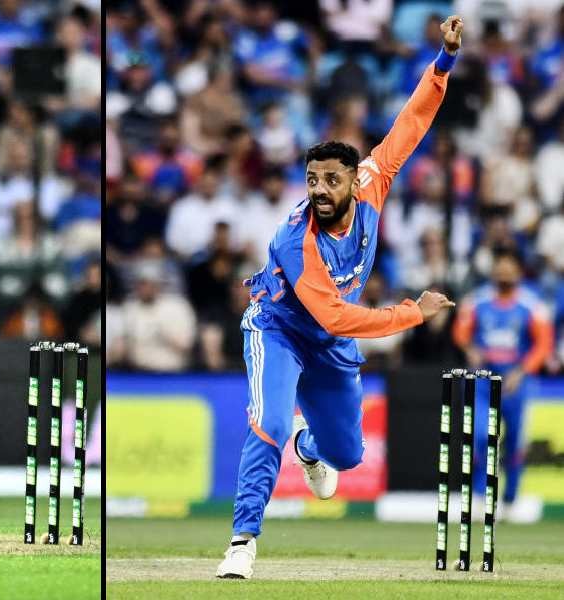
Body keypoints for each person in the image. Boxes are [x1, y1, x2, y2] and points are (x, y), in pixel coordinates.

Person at [215, 16, 464, 580]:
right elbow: (334, 312)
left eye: (331, 180)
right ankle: (242, 542)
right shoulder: (294, 240)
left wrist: (444, 62)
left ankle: (310, 445)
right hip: (278, 328)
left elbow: (412, 122)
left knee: (347, 456)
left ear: (354, 180)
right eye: (312, 180)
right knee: (269, 423)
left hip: (330, 345)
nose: (320, 190)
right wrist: (411, 312)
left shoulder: (375, 180)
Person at [452, 248, 553, 518]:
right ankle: (479, 496)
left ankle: (510, 499)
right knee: (481, 436)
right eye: (500, 267)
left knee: (516, 443)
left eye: (509, 268)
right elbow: (461, 331)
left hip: (516, 383)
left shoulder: (533, 305)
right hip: (483, 380)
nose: (504, 272)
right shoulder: (477, 301)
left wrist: (522, 371)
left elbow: (543, 344)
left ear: (519, 272)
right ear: (493, 270)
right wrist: (470, 348)